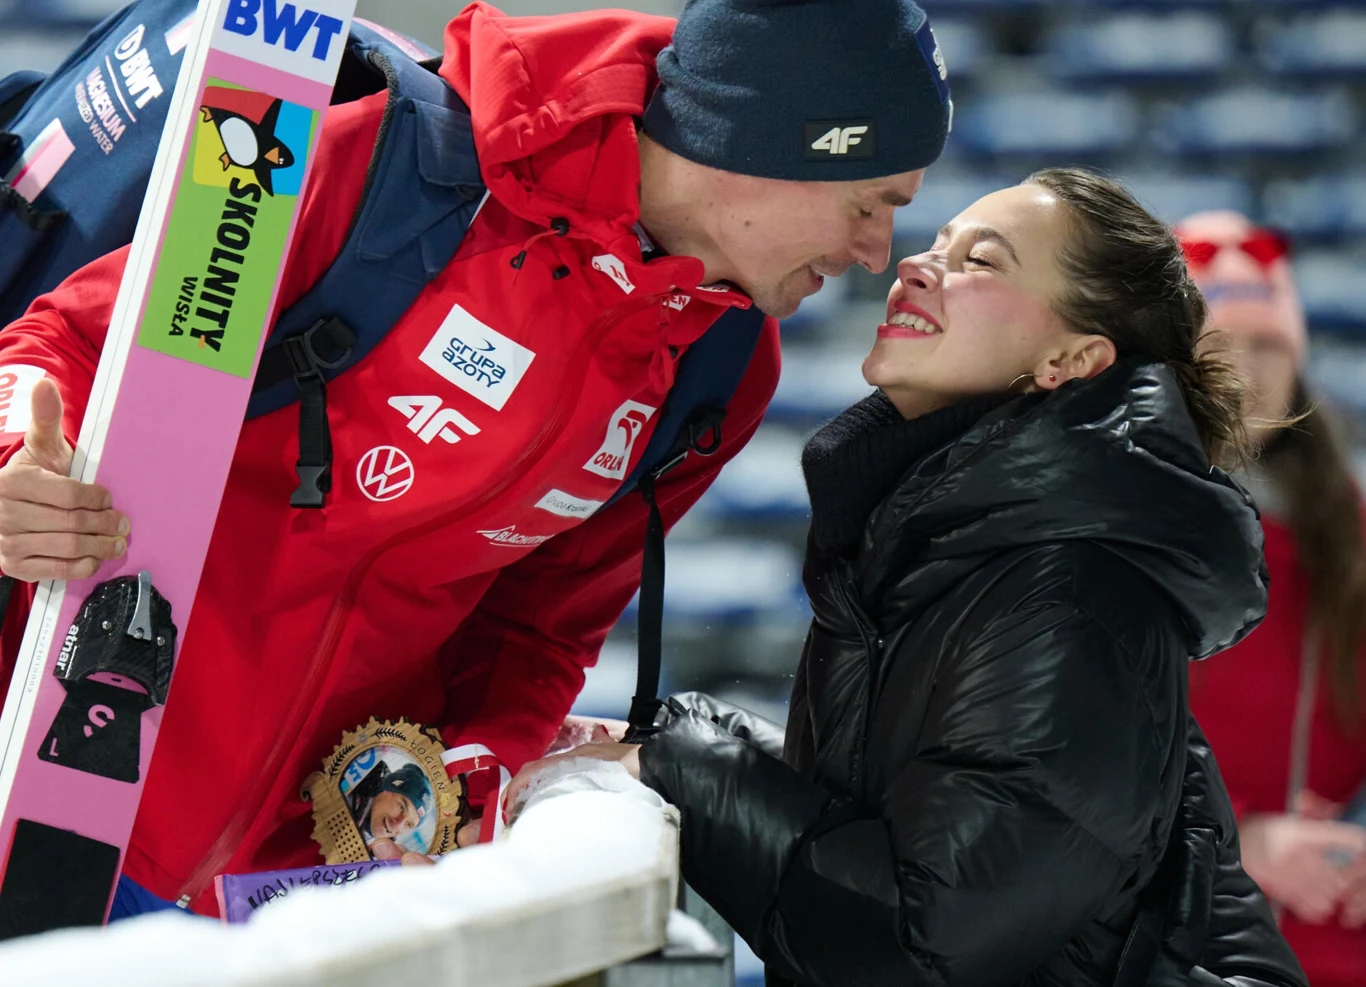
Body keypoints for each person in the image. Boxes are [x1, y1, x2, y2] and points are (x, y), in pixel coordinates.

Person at [0, 0, 951, 914]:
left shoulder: (722, 364)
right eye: (871, 204)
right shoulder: (386, 167)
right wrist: (17, 465)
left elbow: (540, 632)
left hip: (290, 894)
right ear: (776, 149)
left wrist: (475, 762)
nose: (876, 253)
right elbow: (65, 342)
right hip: (54, 776)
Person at [505, 168, 1308, 985]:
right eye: (935, 243)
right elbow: (913, 808)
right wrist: (671, 741)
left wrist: (689, 767)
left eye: (981, 262)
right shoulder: (963, 536)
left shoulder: (1070, 591)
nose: (916, 267)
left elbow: (920, 943)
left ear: (1073, 357)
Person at [1177, 210, 1366, 987]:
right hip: (1156, 920)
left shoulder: (1348, 534)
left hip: (1323, 924)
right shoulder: (1101, 520)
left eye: (1267, 344)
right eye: (1219, 346)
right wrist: (1241, 841)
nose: (1248, 370)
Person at [345, 760, 433, 856]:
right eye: (401, 807)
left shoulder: (376, 855)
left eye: (408, 824)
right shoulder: (347, 786)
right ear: (385, 790)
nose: (397, 825)